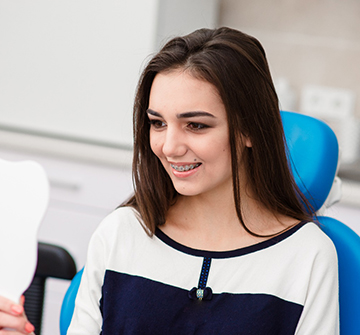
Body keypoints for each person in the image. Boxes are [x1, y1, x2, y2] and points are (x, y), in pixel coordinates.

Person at [0, 27, 339, 334]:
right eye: (158, 123)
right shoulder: (122, 233)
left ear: (249, 128)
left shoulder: (307, 257)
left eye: (196, 125)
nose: (169, 147)